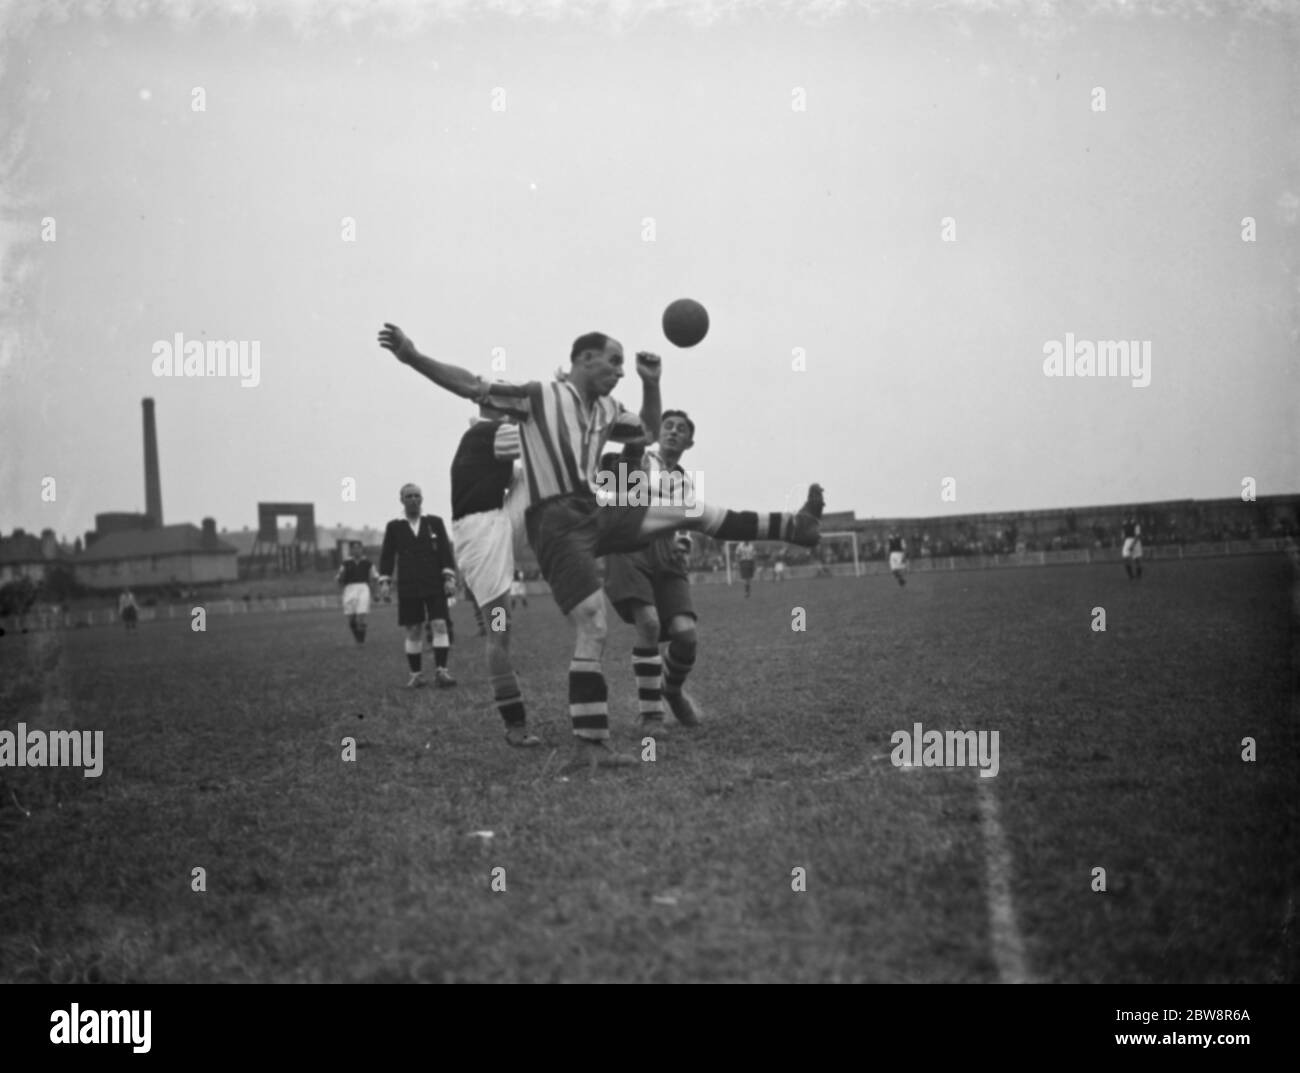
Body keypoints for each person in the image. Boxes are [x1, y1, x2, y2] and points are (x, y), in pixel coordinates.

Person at [378, 323, 824, 768]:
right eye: (613, 361)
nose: (620, 371)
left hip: (595, 510)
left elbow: (646, 431)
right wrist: (413, 355)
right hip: (554, 522)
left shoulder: (609, 408)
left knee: (690, 509)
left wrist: (653, 385)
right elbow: (472, 384)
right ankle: (589, 744)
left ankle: (795, 526)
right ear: (584, 359)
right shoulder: (537, 397)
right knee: (590, 623)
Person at [601, 410, 703, 735]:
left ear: (690, 441)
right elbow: (613, 473)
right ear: (658, 432)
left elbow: (686, 521)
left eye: (681, 429)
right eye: (668, 426)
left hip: (665, 552)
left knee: (686, 635)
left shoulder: (685, 480)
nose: (673, 432)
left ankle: (671, 691)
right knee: (648, 623)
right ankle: (651, 716)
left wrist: (684, 542)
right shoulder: (640, 459)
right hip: (628, 547)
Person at [449, 408, 541, 747]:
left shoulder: (490, 437)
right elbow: (541, 437)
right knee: (499, 630)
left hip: (499, 520)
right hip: (480, 534)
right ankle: (514, 724)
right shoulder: (491, 432)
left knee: (540, 474)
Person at [378, 484, 458, 688]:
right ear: (401, 500)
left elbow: (445, 553)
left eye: (416, 496)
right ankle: (416, 675)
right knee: (413, 629)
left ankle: (442, 671)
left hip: (434, 583)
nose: (413, 499)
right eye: (408, 496)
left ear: (422, 499)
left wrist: (449, 577)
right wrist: (385, 581)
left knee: (439, 624)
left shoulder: (434, 523)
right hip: (408, 585)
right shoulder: (394, 527)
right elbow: (387, 555)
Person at [336, 540, 376, 644]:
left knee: (361, 616)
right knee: (351, 619)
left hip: (363, 588)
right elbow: (339, 579)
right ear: (350, 550)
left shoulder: (368, 563)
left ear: (362, 549)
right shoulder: (345, 563)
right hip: (349, 589)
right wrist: (339, 593)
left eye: (358, 547)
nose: (356, 550)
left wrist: (375, 592)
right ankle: (357, 637)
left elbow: (374, 577)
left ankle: (361, 641)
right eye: (354, 548)